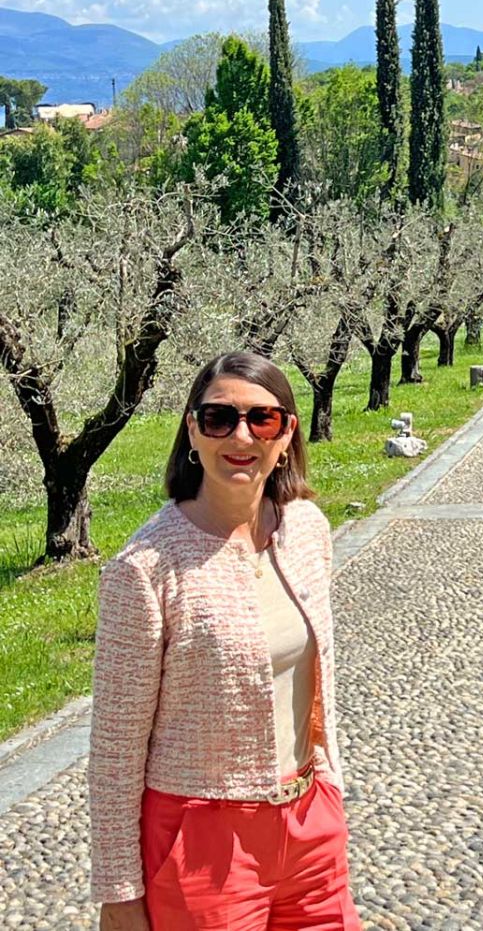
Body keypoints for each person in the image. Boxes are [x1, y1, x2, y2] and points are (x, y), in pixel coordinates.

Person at [88, 351, 362, 931]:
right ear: (193, 430)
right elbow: (115, 749)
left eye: (262, 419)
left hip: (310, 826)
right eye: (219, 418)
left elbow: (317, 678)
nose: (241, 436)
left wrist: (331, 784)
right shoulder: (145, 569)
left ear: (286, 433)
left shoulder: (306, 530)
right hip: (203, 844)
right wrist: (119, 893)